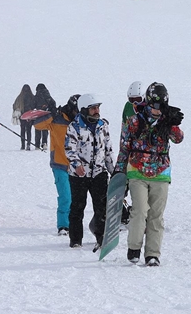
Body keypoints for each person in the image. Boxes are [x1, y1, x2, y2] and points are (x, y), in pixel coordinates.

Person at [113, 82, 184, 266]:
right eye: (155, 106)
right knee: (140, 210)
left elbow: (178, 139)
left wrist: (172, 123)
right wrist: (119, 170)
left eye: (162, 107)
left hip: (161, 173)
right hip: (137, 171)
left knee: (156, 215)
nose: (158, 111)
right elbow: (124, 147)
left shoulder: (166, 121)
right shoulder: (135, 121)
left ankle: (152, 253)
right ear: (149, 103)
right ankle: (134, 248)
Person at [64, 93, 114, 251]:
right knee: (78, 207)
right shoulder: (74, 126)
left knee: (101, 206)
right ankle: (75, 239)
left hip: (99, 173)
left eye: (98, 107)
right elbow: (69, 149)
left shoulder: (102, 125)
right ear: (84, 109)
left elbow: (108, 150)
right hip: (79, 174)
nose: (97, 110)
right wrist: (76, 164)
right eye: (93, 108)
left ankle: (101, 237)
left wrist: (114, 171)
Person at [33, 94, 79, 236]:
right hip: (60, 165)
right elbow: (37, 124)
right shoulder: (57, 119)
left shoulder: (81, 122)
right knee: (65, 196)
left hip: (78, 166)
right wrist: (51, 114)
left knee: (76, 198)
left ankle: (75, 223)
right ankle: (63, 225)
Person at [12, 85, 35, 150]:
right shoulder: (32, 97)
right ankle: (28, 144)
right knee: (29, 131)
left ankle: (23, 145)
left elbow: (14, 106)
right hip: (29, 116)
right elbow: (34, 105)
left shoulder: (19, 97)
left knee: (22, 130)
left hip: (22, 116)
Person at [32, 83, 55, 149]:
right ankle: (44, 143)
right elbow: (53, 103)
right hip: (46, 114)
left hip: (38, 114)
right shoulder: (47, 94)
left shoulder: (37, 95)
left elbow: (33, 105)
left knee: (38, 127)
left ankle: (37, 144)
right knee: (45, 128)